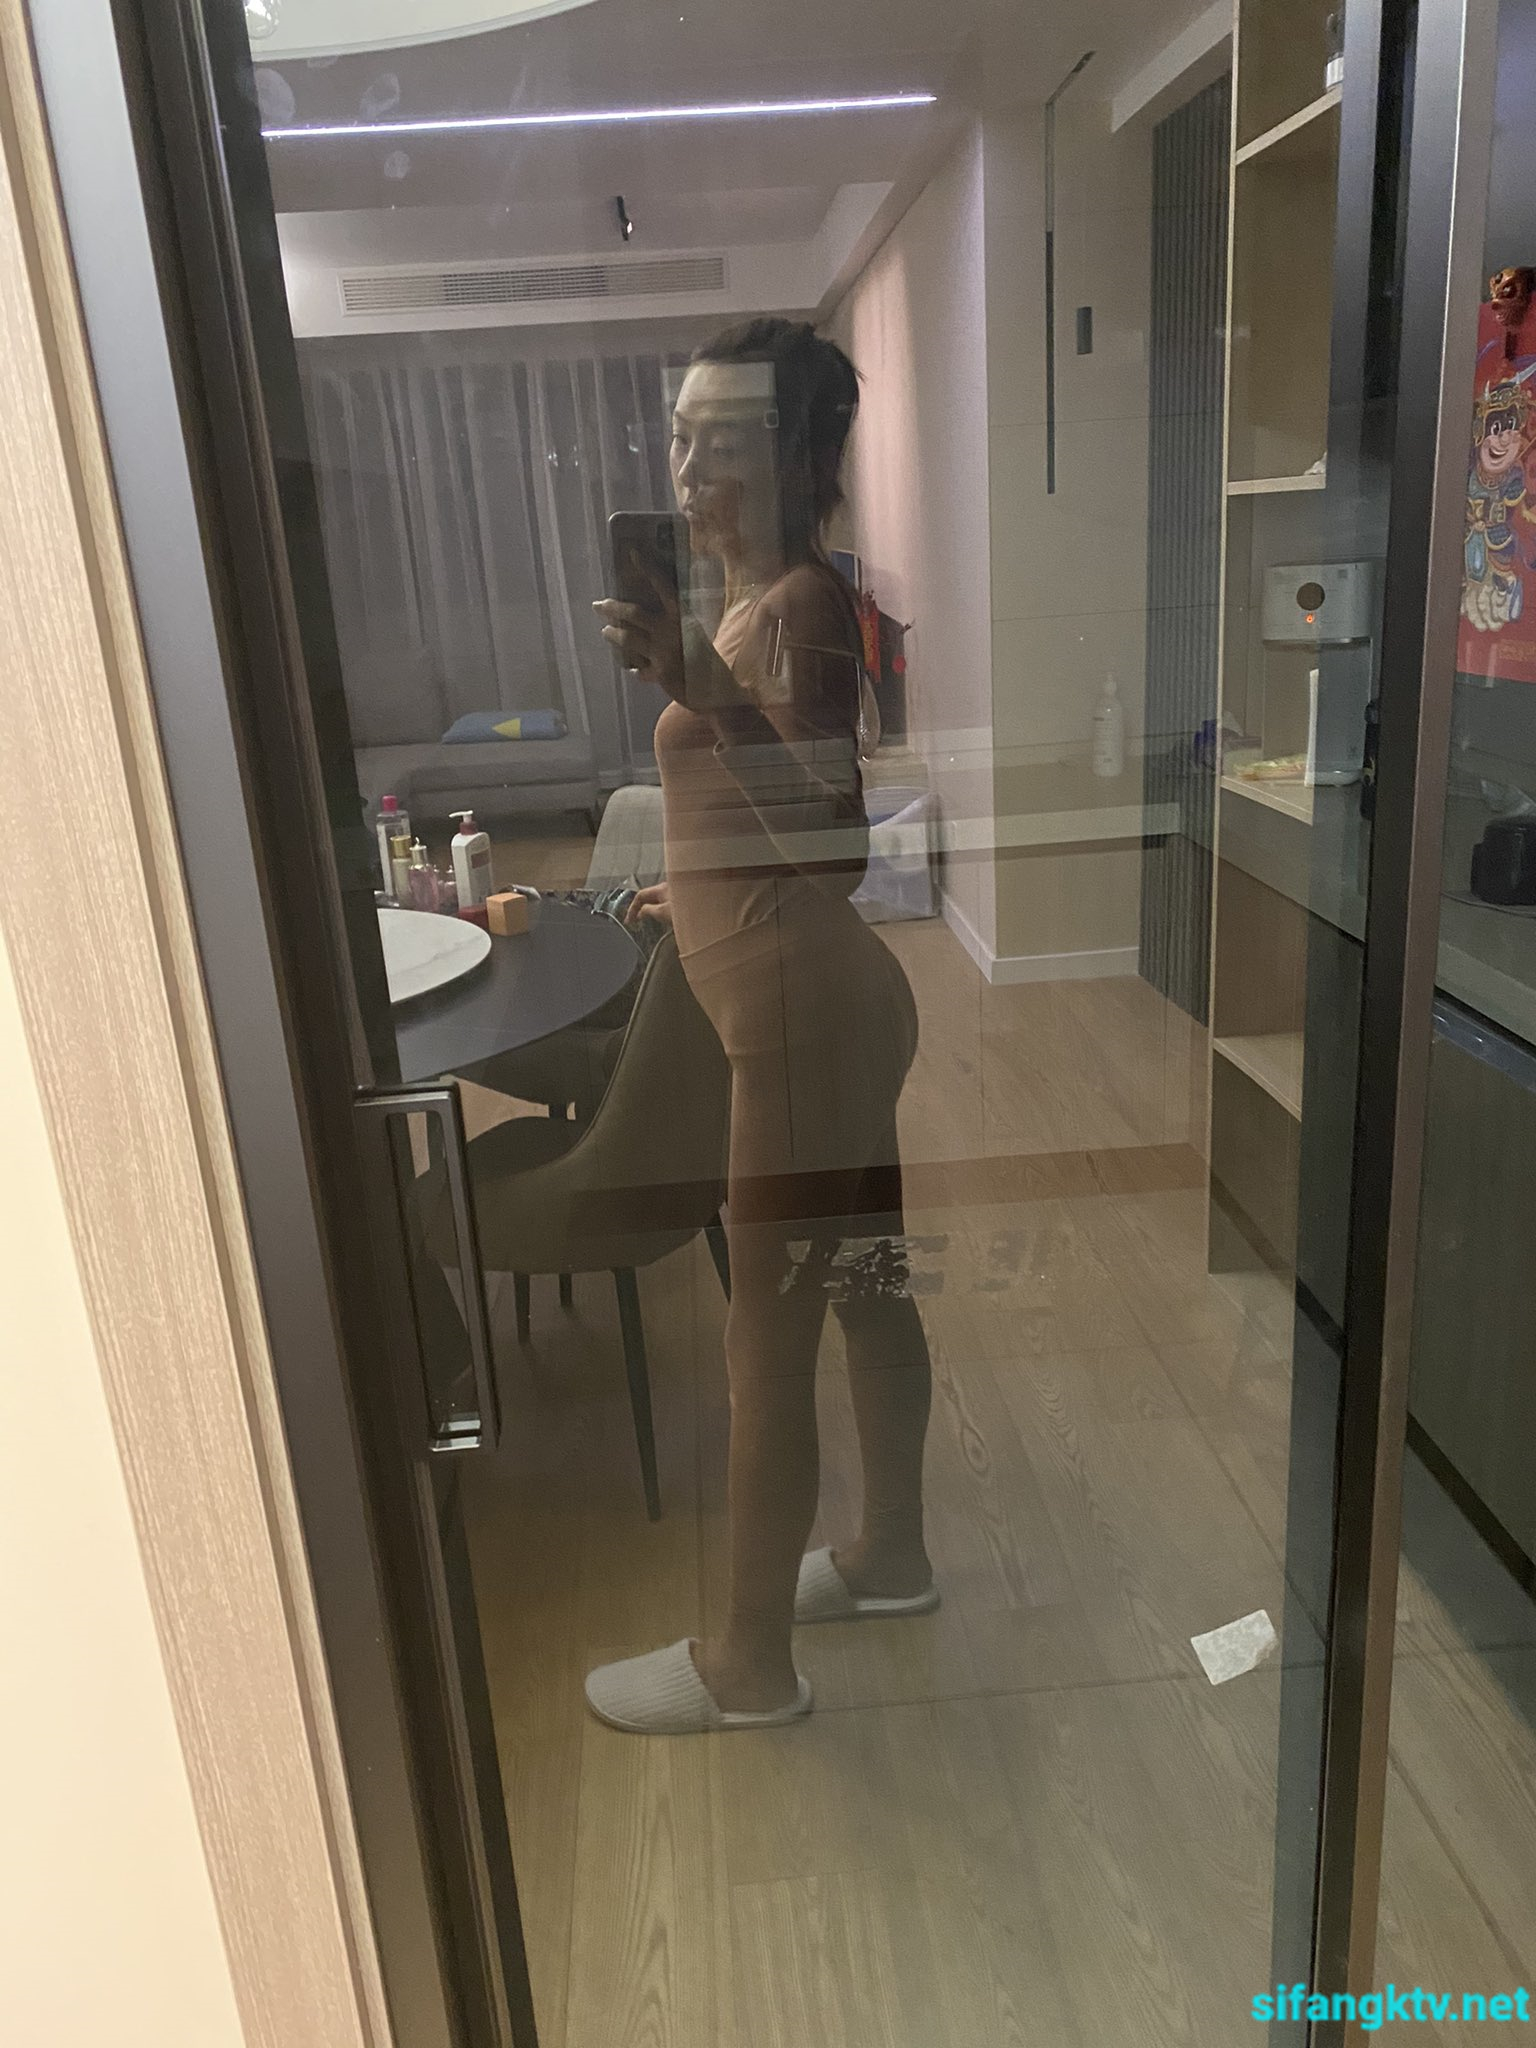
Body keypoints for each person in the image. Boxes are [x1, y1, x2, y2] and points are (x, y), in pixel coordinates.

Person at [584, 318, 935, 1734]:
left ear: (793, 457)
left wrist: (701, 689)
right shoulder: (758, 603)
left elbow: (837, 841)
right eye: (676, 436)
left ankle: (746, 1666)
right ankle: (893, 1556)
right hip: (817, 1009)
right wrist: (688, 883)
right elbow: (762, 806)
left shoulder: (796, 607)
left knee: (765, 1344)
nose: (683, 466)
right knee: (869, 1285)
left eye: (714, 438)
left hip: (802, 1022)